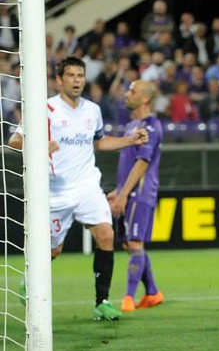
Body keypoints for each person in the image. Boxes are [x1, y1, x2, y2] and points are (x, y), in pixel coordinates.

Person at [8, 57, 149, 320]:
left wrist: (130, 140)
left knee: (106, 235)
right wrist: (37, 146)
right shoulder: (45, 109)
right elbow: (15, 141)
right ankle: (30, 280)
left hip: (87, 187)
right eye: (71, 75)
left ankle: (102, 302)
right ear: (59, 80)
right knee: (52, 251)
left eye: (80, 75)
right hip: (55, 192)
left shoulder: (92, 110)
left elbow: (100, 142)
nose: (76, 80)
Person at [109, 80, 165, 312]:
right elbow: (128, 162)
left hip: (140, 193)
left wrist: (123, 195)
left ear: (144, 98)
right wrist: (118, 190)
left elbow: (142, 164)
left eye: (132, 91)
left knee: (134, 242)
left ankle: (128, 298)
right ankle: (152, 292)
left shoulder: (151, 127)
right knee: (130, 244)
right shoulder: (133, 125)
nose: (127, 93)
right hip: (127, 191)